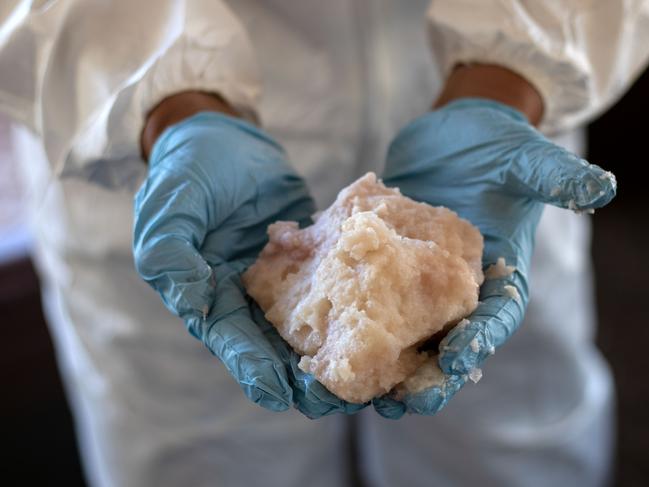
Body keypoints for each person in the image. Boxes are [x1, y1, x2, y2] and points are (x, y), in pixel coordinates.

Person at [2, 1, 648, 485]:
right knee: (206, 466)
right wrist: (167, 102)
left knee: (509, 457)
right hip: (174, 168)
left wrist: (509, 76)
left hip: (492, 151)